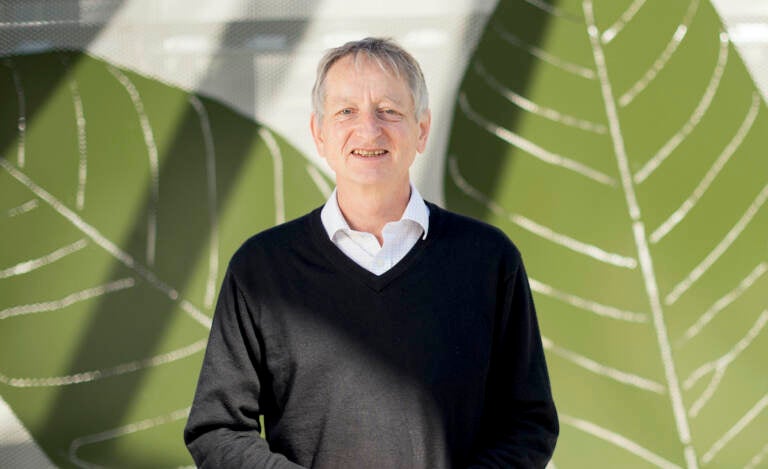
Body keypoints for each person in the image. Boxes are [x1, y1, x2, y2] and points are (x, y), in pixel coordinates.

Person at [184, 37, 558, 468]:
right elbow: (217, 429)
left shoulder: (489, 261)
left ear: (421, 130)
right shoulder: (261, 269)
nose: (368, 129)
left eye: (389, 111)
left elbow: (529, 422)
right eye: (346, 112)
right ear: (319, 133)